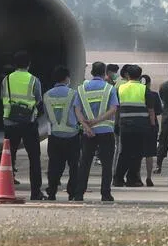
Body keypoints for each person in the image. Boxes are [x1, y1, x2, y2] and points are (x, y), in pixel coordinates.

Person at [72, 61, 119, 202]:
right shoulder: (109, 89)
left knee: (85, 163)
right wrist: (98, 121)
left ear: (92, 72)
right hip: (105, 131)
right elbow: (113, 109)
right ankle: (105, 193)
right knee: (106, 165)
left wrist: (86, 126)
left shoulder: (81, 89)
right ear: (104, 73)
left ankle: (79, 193)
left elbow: (77, 110)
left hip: (88, 132)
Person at [2, 51, 42, 201]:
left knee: (8, 158)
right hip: (28, 122)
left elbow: (3, 96)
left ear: (14, 64)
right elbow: (38, 99)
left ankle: (6, 189)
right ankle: (35, 192)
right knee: (34, 158)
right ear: (29, 64)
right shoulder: (33, 80)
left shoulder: (6, 80)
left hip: (10, 122)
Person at [42, 66, 81, 200]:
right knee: (74, 166)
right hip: (72, 135)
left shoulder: (46, 95)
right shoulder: (73, 94)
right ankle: (73, 192)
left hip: (55, 135)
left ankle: (52, 191)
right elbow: (78, 113)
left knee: (54, 166)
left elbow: (46, 116)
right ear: (67, 78)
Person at [114, 65, 153, 188]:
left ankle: (118, 179)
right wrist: (152, 125)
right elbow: (150, 110)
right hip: (141, 126)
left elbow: (116, 108)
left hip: (125, 125)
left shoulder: (120, 88)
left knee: (124, 152)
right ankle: (132, 179)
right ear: (140, 75)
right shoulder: (144, 89)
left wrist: (116, 123)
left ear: (127, 75)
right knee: (137, 153)